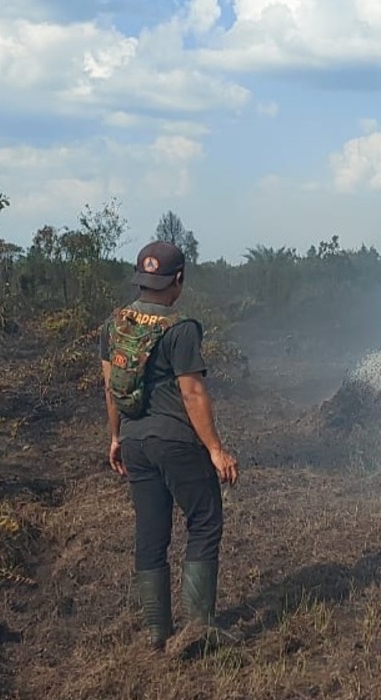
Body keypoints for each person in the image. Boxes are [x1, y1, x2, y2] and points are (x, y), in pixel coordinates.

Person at [98, 240, 239, 654]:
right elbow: (193, 393)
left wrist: (116, 437)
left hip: (136, 442)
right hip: (175, 440)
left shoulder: (115, 325)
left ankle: (157, 632)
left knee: (151, 531)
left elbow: (111, 388)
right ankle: (197, 629)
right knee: (206, 520)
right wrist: (215, 449)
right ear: (178, 279)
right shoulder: (179, 329)